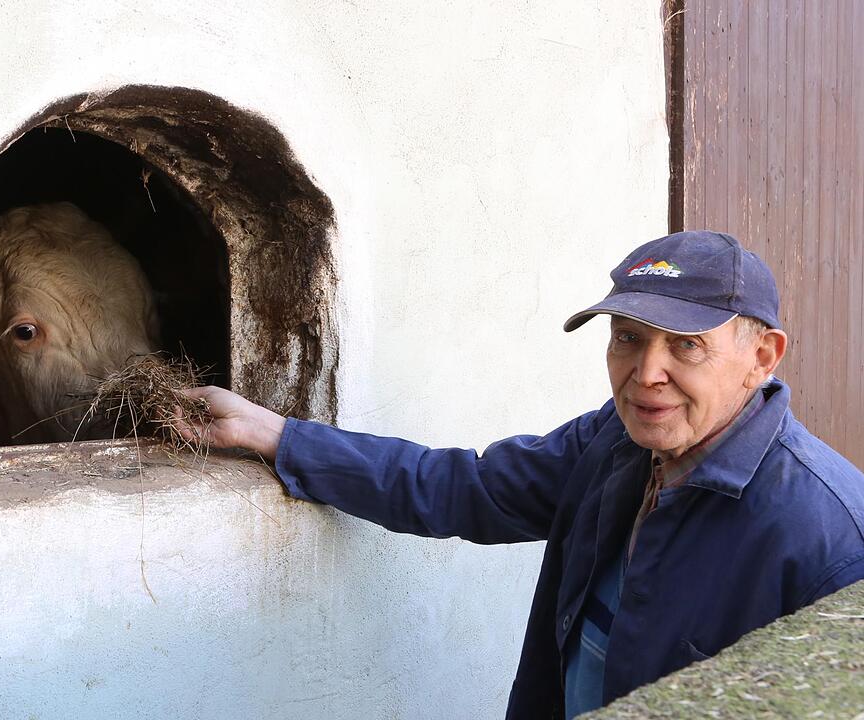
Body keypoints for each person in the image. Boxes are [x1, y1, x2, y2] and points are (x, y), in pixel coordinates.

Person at [177, 230, 864, 719]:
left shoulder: (828, 534)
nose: (646, 374)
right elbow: (464, 490)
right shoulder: (615, 444)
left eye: (687, 346)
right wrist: (274, 434)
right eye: (627, 337)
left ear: (763, 356)